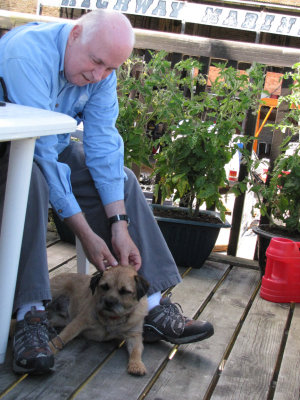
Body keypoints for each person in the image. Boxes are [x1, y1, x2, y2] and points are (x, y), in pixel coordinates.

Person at [0, 10, 214, 375]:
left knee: (125, 178)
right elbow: (41, 155)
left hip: (46, 147)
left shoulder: (101, 68)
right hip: (11, 148)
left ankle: (152, 303)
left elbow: (102, 143)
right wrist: (83, 231)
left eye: (110, 69)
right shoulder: (27, 54)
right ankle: (30, 314)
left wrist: (119, 224)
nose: (99, 76)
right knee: (33, 178)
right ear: (75, 34)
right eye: (96, 62)